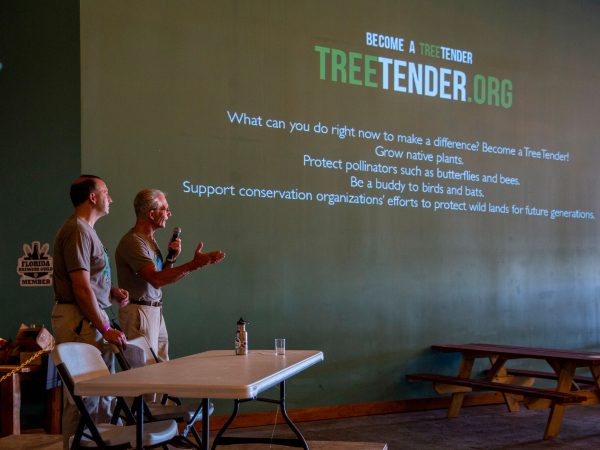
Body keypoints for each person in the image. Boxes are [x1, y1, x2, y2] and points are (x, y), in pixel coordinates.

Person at [50, 175, 129, 450]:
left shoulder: (87, 230)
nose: (111, 198)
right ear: (92, 197)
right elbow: (81, 288)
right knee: (84, 397)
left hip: (90, 316)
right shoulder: (77, 231)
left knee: (103, 394)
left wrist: (110, 292)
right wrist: (106, 329)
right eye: (106, 192)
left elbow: (90, 282)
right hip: (80, 319)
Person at [116, 188, 225, 363]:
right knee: (145, 377)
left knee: (161, 372)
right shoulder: (133, 241)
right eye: (165, 209)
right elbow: (156, 279)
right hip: (140, 313)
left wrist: (171, 257)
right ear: (152, 214)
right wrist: (194, 265)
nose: (169, 213)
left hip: (154, 310)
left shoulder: (149, 240)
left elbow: (160, 277)